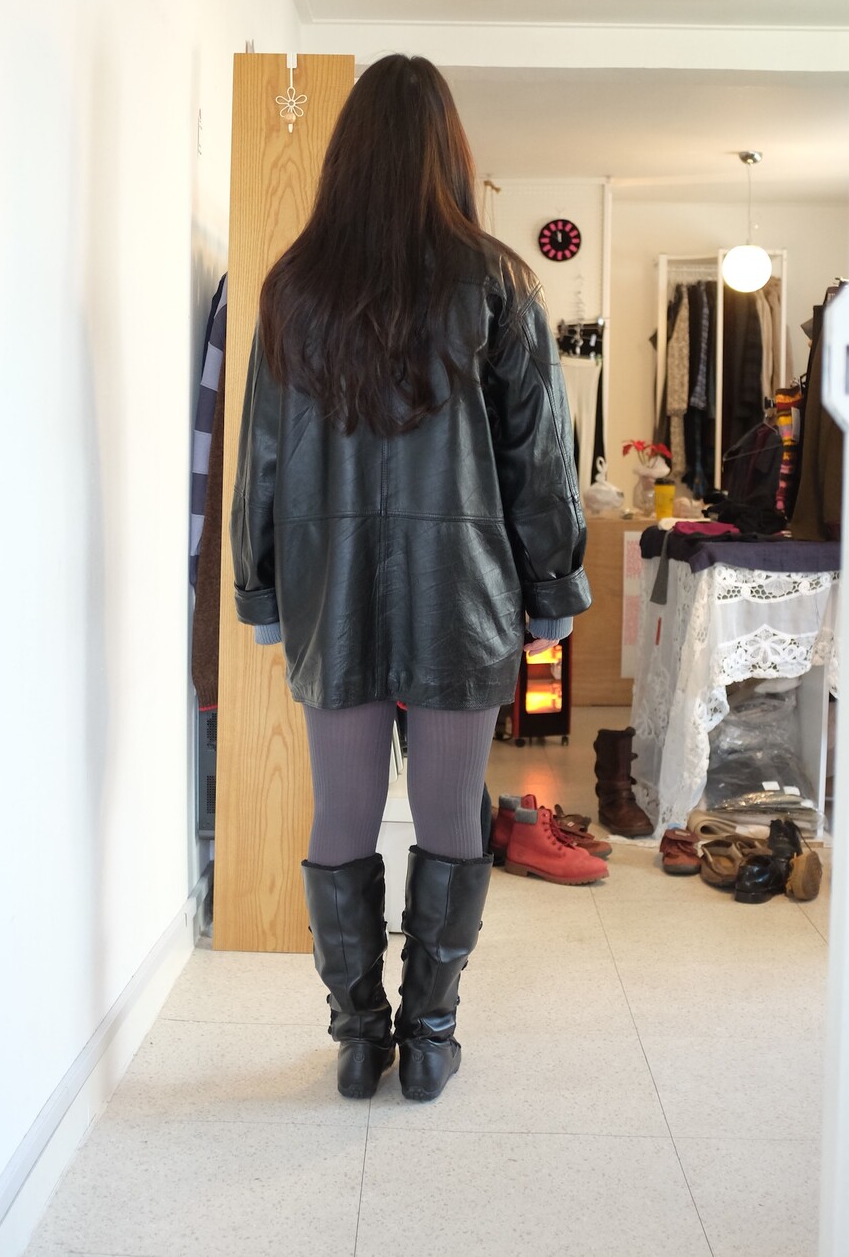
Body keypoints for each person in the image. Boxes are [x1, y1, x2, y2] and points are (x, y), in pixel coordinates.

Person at [231, 54, 590, 1103]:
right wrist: (551, 588)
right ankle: (427, 1039)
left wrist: (261, 590)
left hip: (331, 591)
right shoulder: (498, 282)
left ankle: (358, 1039)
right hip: (462, 592)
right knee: (447, 816)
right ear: (448, 151)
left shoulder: (295, 289)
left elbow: (260, 457)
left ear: (346, 154)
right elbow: (540, 458)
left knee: (341, 811)